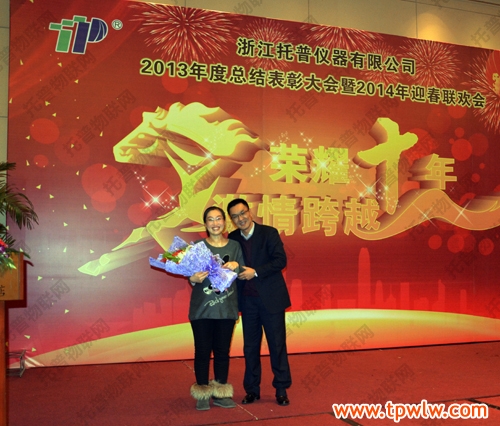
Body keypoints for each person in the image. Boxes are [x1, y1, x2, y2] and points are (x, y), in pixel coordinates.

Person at [227, 198, 292, 406]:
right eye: (235, 216)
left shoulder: (269, 233)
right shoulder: (232, 238)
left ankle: (281, 389)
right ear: (232, 220)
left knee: (277, 345)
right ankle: (252, 390)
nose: (241, 218)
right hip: (248, 301)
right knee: (250, 347)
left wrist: (255, 272)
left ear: (250, 212)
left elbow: (281, 260)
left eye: (243, 213)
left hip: (271, 299)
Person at [188, 206, 245, 411]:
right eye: (210, 220)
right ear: (205, 224)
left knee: (222, 351)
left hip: (226, 308)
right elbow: (190, 273)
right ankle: (202, 392)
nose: (215, 223)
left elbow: (242, 273)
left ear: (225, 222)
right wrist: (193, 279)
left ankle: (221, 391)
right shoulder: (198, 246)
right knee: (202, 350)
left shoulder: (235, 246)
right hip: (202, 309)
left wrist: (237, 265)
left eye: (218, 218)